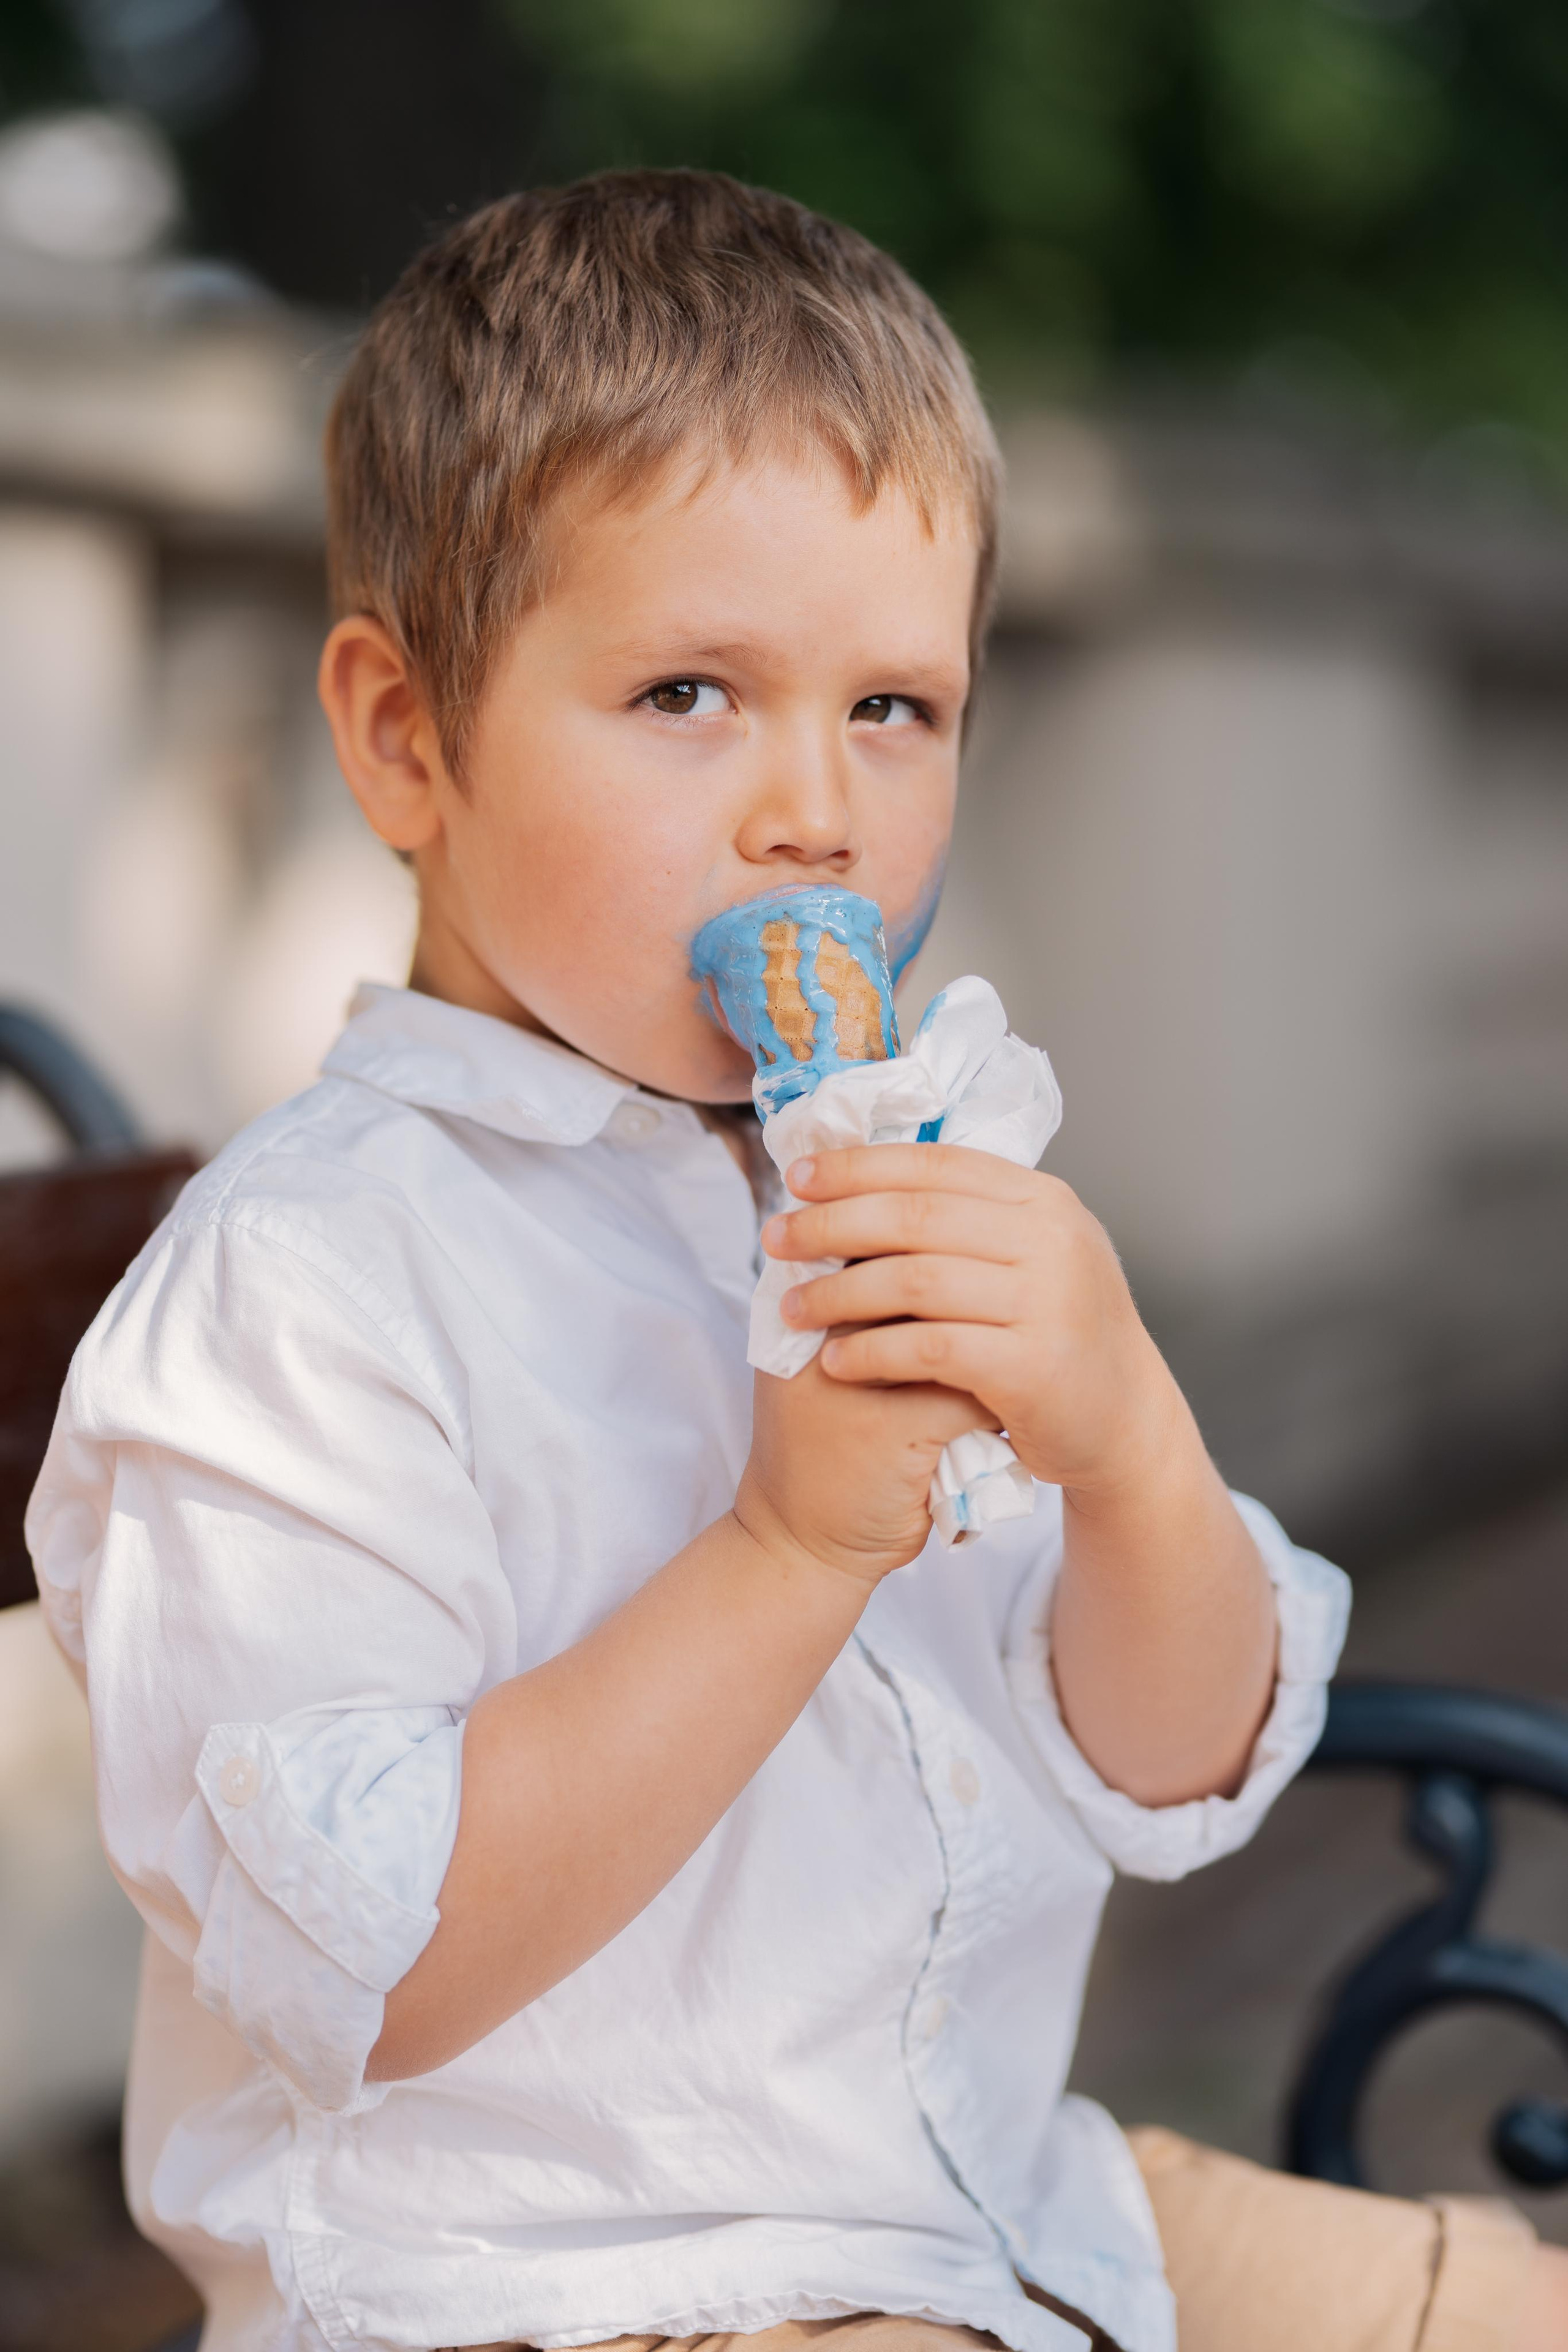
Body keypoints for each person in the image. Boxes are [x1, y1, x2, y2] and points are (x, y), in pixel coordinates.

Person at [26, 171, 1566, 2352]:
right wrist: (782, 1546)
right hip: (560, 2291)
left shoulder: (903, 1168)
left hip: (1003, 2208)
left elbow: (1178, 1760)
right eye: (686, 695)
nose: (813, 814)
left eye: (893, 710)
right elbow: (373, 1960)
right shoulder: (306, 1296)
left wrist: (1128, 1442)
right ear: (404, 738)